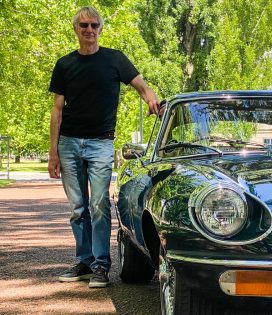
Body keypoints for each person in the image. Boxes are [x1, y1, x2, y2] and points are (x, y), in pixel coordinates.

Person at [47, 6, 159, 288]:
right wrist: (53, 153)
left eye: (94, 25)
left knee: (98, 204)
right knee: (77, 208)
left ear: (100, 29)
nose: (89, 30)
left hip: (100, 144)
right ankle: (84, 261)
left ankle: (100, 265)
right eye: (83, 25)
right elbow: (57, 111)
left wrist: (151, 100)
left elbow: (142, 87)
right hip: (69, 143)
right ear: (76, 29)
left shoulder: (114, 59)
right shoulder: (64, 65)